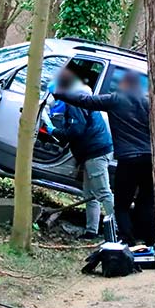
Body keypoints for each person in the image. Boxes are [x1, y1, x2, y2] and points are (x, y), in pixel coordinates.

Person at [54, 70, 155, 246]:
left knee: (122, 205)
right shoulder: (149, 103)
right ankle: (149, 241)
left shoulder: (116, 99)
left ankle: (127, 241)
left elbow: (86, 101)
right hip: (149, 160)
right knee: (146, 202)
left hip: (128, 159)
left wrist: (60, 93)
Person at [44, 67, 114, 239]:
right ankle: (91, 231)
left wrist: (54, 131)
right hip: (95, 151)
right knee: (90, 194)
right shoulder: (78, 99)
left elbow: (76, 130)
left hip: (95, 153)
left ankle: (119, 230)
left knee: (103, 192)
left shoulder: (74, 104)